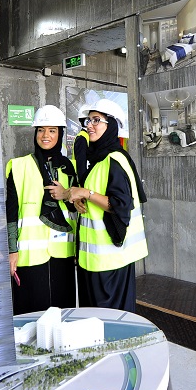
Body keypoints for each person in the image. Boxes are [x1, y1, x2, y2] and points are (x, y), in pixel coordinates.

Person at [57, 99, 148, 312]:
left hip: (112, 263)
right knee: (94, 320)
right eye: (88, 120)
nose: (89, 125)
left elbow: (120, 205)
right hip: (94, 261)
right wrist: (82, 198)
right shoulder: (99, 159)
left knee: (111, 322)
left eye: (96, 120)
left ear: (112, 126)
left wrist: (86, 193)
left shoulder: (115, 160)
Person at [5, 105, 78, 313]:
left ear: (60, 134)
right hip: (29, 254)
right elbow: (10, 213)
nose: (45, 135)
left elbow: (76, 209)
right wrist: (11, 250)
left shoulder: (69, 167)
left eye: (52, 130)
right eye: (41, 130)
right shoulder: (18, 166)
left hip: (63, 252)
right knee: (30, 311)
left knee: (63, 311)